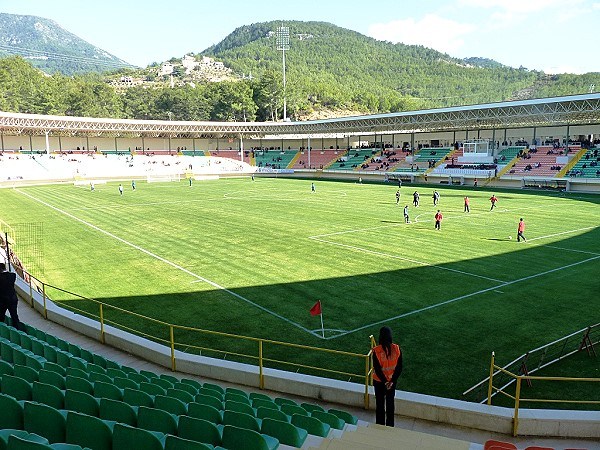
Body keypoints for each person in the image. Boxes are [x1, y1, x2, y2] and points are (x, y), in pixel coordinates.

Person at [372, 326, 402, 427]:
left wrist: (385, 382)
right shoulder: (396, 349)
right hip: (392, 382)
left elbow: (377, 369)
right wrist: (392, 381)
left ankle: (380, 426)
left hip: (379, 382)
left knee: (380, 405)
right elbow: (399, 367)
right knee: (390, 404)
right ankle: (390, 426)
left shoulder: (376, 351)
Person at [0, 262, 20, 330]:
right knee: (14, 316)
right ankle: (17, 329)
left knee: (1, 316)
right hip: (12, 299)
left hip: (2, 300)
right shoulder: (13, 275)